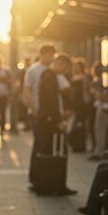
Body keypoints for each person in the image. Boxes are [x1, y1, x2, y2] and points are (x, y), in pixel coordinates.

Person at [34, 53, 76, 195]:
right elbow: (50, 103)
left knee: (50, 151)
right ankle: (54, 184)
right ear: (61, 64)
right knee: (56, 151)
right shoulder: (50, 77)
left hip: (48, 120)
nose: (64, 72)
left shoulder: (48, 76)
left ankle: (51, 184)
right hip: (50, 121)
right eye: (65, 69)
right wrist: (59, 121)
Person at [23, 44, 56, 189]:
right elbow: (27, 90)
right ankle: (34, 178)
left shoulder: (52, 70)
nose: (52, 57)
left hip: (48, 114)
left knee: (46, 145)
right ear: (43, 54)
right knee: (38, 144)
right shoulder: (33, 70)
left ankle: (44, 177)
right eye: (50, 54)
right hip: (37, 113)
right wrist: (33, 109)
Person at [89, 61, 108, 161]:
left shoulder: (103, 80)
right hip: (99, 106)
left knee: (100, 129)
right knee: (99, 129)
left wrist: (98, 94)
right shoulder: (103, 79)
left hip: (102, 106)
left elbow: (104, 95)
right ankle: (100, 150)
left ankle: (100, 151)